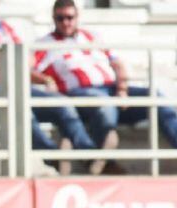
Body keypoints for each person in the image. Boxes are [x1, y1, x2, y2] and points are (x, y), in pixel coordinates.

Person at [0, 0, 100, 166]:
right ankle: (55, 158)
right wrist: (13, 57)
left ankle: (90, 156)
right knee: (20, 110)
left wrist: (6, 57)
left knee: (60, 103)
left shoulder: (4, 27)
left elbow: (28, 59)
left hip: (9, 87)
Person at [35, 0, 177, 169]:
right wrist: (46, 80)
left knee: (156, 98)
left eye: (69, 17)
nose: (66, 22)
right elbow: (26, 68)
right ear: (53, 18)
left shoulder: (91, 36)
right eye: (60, 18)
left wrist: (122, 89)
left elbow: (117, 64)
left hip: (112, 89)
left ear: (77, 17)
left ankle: (101, 157)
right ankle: (103, 152)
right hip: (81, 94)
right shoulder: (44, 43)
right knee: (104, 104)